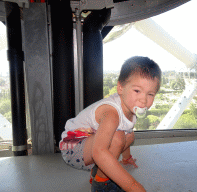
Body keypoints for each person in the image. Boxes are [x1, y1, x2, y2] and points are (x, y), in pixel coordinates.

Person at [59, 56, 162, 192]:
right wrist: (133, 186)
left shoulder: (130, 107)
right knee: (117, 137)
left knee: (129, 136)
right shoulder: (111, 113)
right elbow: (98, 152)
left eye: (150, 94)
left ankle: (97, 172)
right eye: (137, 90)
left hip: (91, 142)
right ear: (120, 88)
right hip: (73, 148)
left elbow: (127, 130)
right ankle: (101, 183)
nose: (143, 99)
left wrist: (127, 158)